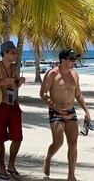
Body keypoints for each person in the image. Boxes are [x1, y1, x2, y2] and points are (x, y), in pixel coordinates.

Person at [40, 49, 91, 181]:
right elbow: (43, 93)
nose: (74, 61)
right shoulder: (52, 74)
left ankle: (71, 176)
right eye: (72, 59)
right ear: (63, 60)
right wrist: (54, 105)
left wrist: (86, 110)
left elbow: (78, 94)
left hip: (71, 111)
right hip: (56, 111)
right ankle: (48, 158)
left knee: (73, 143)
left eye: (75, 59)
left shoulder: (74, 74)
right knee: (58, 143)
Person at [0, 41, 26, 180]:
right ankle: (2, 168)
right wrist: (0, 82)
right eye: (13, 52)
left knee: (18, 137)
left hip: (13, 105)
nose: (15, 55)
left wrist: (19, 83)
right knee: (0, 139)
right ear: (5, 53)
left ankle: (11, 165)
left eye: (16, 53)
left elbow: (13, 87)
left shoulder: (14, 68)